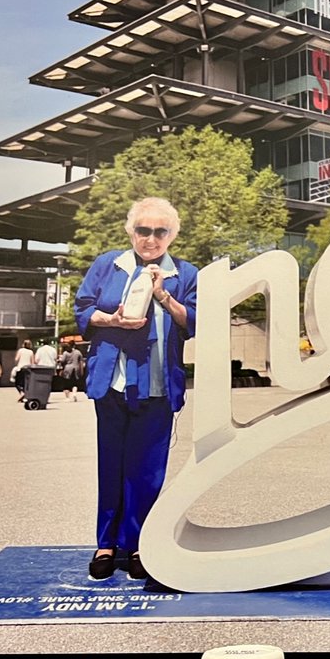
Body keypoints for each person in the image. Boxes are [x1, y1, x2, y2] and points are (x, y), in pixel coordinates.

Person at [74, 197, 197, 581]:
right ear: (131, 231)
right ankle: (106, 544)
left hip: (157, 383)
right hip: (112, 380)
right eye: (143, 230)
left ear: (172, 235)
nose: (151, 238)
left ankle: (139, 543)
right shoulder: (108, 264)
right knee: (111, 462)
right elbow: (82, 309)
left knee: (147, 471)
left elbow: (195, 320)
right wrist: (110, 319)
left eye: (161, 231)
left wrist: (163, 296)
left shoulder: (185, 273)